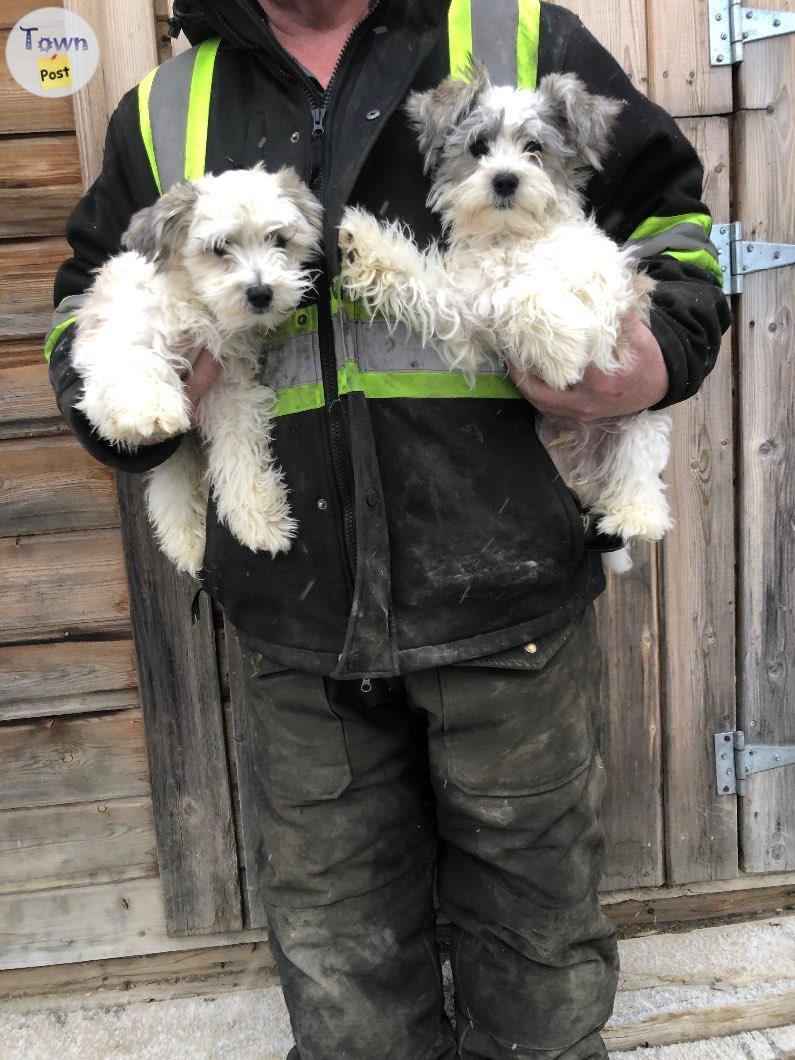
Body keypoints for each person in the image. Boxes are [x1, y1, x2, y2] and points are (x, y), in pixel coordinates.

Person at [46, 1, 731, 1056]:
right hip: (296, 620)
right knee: (345, 988)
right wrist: (138, 401)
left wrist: (658, 354)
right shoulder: (164, 107)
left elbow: (670, 214)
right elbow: (86, 297)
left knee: (541, 981)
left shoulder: (510, 35)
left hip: (509, 599)